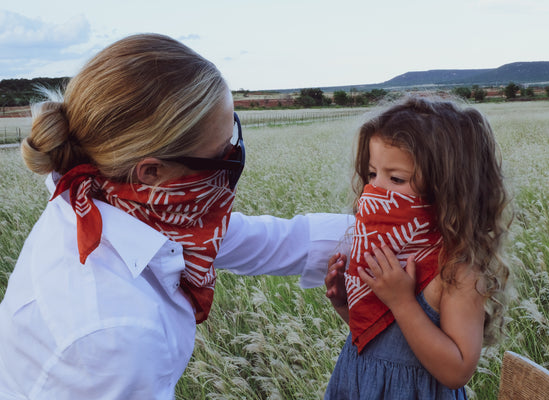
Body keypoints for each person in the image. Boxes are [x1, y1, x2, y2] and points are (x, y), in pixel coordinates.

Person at [0, 33, 353, 400]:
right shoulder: (115, 333)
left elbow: (269, 241)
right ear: (150, 172)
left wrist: (391, 227)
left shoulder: (106, 200)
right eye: (221, 157)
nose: (233, 156)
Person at [324, 96, 511, 399]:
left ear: (447, 186)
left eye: (396, 178)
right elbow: (387, 341)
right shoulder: (390, 247)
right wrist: (348, 305)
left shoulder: (457, 268)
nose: (375, 189)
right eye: (372, 174)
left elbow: (457, 371)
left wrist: (402, 302)